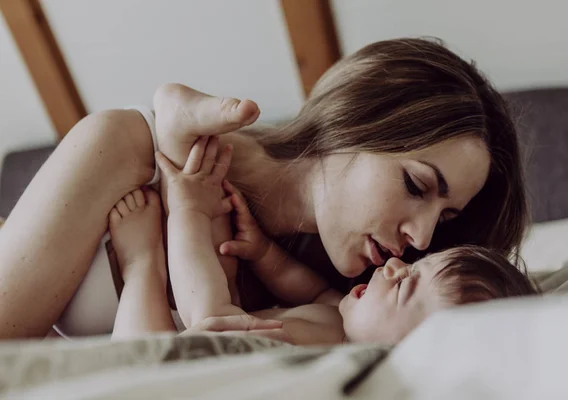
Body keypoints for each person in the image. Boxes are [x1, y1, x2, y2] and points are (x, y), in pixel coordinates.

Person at [0, 38, 527, 339]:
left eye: (446, 219)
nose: (421, 237)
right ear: (353, 123)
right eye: (415, 184)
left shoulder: (342, 305)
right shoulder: (118, 147)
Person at [110, 141, 536, 344]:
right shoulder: (349, 317)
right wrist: (262, 252)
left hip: (172, 344)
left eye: (406, 284)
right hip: (216, 319)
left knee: (153, 338)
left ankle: (140, 264)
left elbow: (208, 315)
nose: (394, 265)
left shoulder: (319, 349)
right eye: (411, 267)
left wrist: (189, 212)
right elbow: (304, 287)